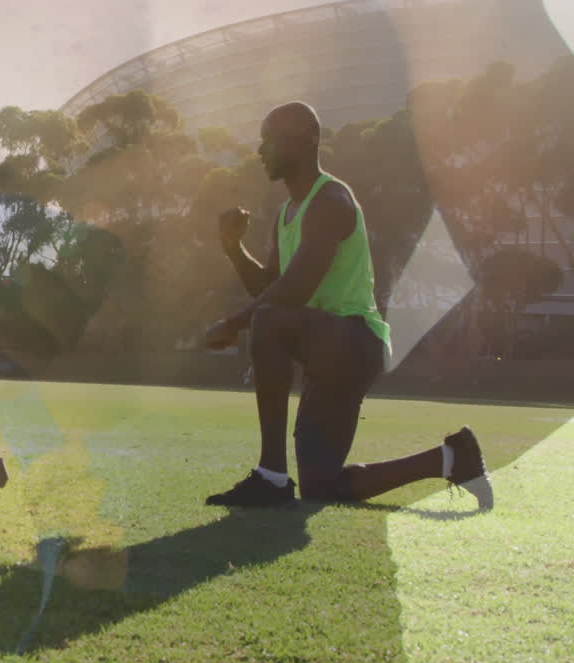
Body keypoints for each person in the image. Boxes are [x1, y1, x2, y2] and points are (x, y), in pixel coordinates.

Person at [202, 101, 492, 510]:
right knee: (323, 486)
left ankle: (270, 476)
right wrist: (233, 250)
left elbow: (294, 291)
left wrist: (232, 324)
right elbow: (271, 289)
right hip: (326, 352)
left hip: (354, 341)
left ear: (306, 141)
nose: (260, 150)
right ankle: (450, 458)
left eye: (269, 139)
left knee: (269, 318)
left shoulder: (331, 201)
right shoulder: (287, 212)